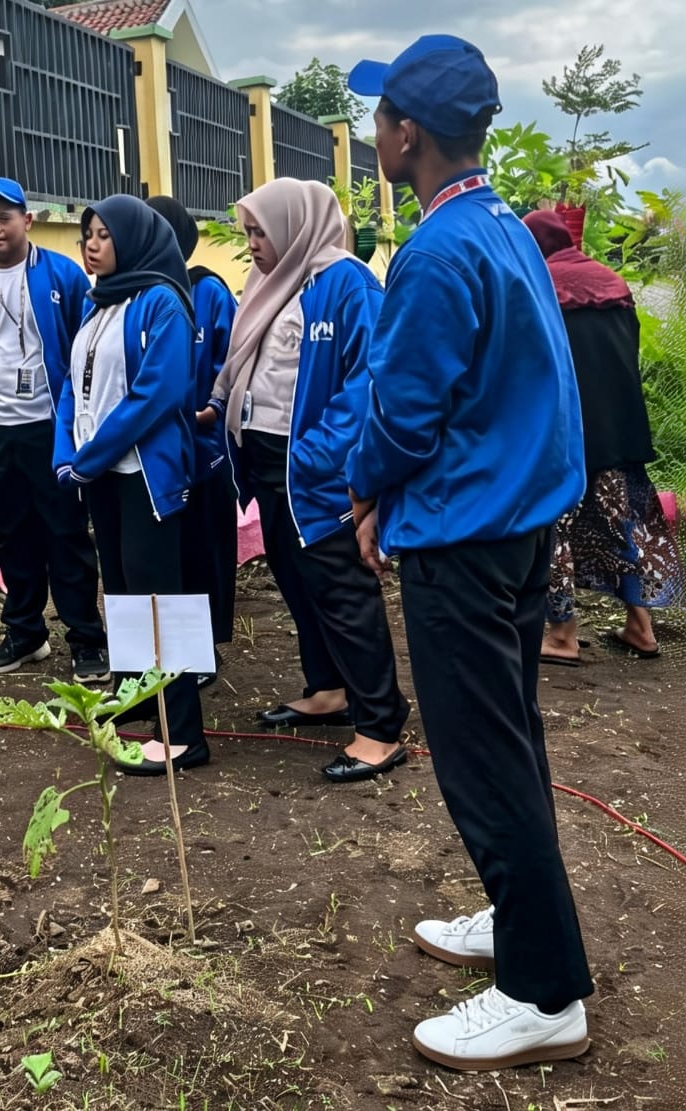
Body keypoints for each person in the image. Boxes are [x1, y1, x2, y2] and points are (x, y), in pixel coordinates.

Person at [346, 35, 593, 1070]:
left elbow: (404, 412)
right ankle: (514, 910)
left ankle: (541, 993)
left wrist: (363, 491)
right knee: (512, 737)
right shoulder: (498, 226)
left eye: (378, 118)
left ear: (406, 133)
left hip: (463, 530)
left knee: (482, 755)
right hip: (519, 523)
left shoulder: (437, 250)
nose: (370, 134)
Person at [210, 179, 410, 782]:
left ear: (296, 226)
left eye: (260, 231)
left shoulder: (347, 284)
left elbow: (370, 379)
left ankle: (380, 726)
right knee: (299, 584)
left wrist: (323, 450)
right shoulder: (271, 284)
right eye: (247, 232)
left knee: (343, 593)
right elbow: (252, 369)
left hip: (317, 471)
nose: (252, 245)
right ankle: (328, 690)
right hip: (270, 464)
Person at [54, 195, 208, 775]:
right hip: (103, 476)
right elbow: (73, 390)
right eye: (86, 234)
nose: (90, 244)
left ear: (136, 238)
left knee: (159, 600)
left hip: (144, 476)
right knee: (122, 597)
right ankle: (146, 712)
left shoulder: (163, 304)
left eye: (102, 234)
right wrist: (66, 456)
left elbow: (157, 396)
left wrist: (91, 457)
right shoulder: (98, 308)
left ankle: (186, 735)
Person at [0, 177, 109, 683]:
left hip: (50, 427)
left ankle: (86, 637)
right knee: (12, 536)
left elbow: (83, 354)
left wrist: (79, 426)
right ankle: (25, 632)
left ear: (27, 220)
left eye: (3, 218)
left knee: (65, 534)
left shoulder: (63, 276)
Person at [523, 208, 682, 664]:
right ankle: (641, 627)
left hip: (568, 435)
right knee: (621, 524)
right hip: (622, 430)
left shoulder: (541, 286)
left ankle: (562, 636)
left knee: (554, 530)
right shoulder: (613, 283)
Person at [145, 195, 238, 686]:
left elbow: (233, 359)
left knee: (206, 551)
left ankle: (205, 651)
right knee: (170, 555)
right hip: (155, 458)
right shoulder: (132, 293)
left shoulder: (208, 292)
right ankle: (170, 649)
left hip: (202, 451)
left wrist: (213, 409)